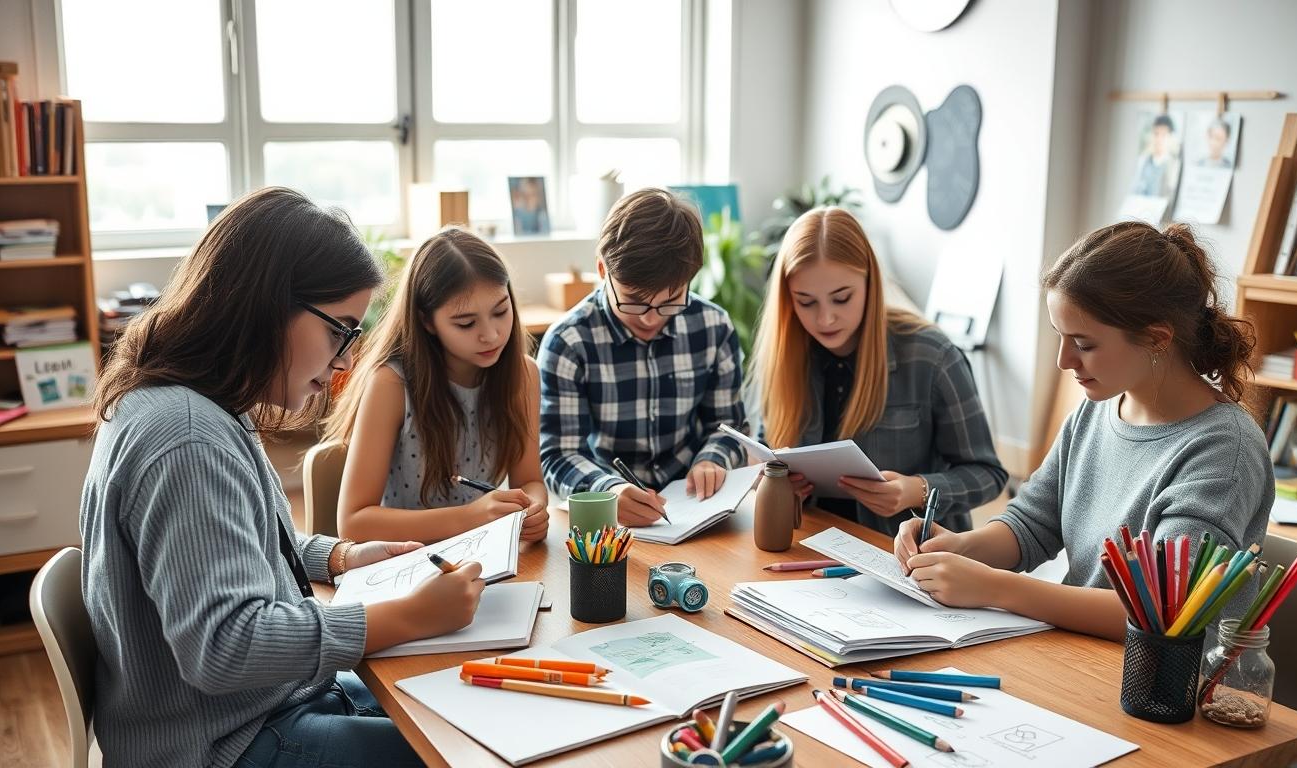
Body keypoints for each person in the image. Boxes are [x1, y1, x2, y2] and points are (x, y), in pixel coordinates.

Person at [81, 187, 485, 767]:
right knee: (461, 751)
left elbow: (231, 550)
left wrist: (340, 557)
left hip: (259, 711)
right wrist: (412, 615)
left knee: (456, 705)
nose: (345, 360)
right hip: (222, 745)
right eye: (340, 330)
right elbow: (224, 648)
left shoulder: (198, 407)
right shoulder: (188, 437)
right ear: (269, 307)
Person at [894, 221, 1272, 640]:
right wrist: (959, 548)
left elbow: (1161, 614)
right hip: (1080, 654)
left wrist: (995, 586)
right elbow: (1033, 524)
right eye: (1060, 337)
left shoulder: (1223, 450)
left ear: (1157, 339)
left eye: (1084, 344)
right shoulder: (1095, 413)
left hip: (1166, 688)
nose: (1063, 361)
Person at [748, 207, 1005, 536]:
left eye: (842, 298)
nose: (825, 319)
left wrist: (916, 490)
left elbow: (989, 475)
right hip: (808, 541)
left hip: (903, 555)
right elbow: (764, 449)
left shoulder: (931, 356)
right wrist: (770, 479)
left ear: (871, 283)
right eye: (806, 302)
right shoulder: (785, 353)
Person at [538, 187, 747, 526]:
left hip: (695, 510)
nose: (651, 317)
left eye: (671, 300)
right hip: (607, 523)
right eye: (634, 300)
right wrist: (609, 491)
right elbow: (559, 455)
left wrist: (713, 459)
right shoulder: (569, 341)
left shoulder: (713, 326)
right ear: (603, 271)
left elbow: (729, 425)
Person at [326, 227, 549, 545]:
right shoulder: (392, 384)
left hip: (485, 555)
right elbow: (354, 522)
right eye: (466, 323)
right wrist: (472, 516)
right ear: (427, 321)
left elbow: (530, 481)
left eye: (500, 311)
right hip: (408, 562)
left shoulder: (523, 375)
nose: (491, 334)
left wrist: (534, 508)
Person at [1131, 114, 1180, 197]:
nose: (1159, 139)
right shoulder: (1142, 162)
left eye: (1164, 135)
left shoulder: (1174, 166)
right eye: (1156, 134)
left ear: (1170, 137)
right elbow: (1134, 190)